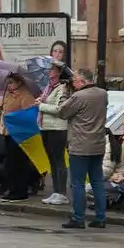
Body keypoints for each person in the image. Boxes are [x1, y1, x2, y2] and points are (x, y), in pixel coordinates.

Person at [40, 68, 109, 228]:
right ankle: (100, 217)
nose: (73, 83)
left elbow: (62, 112)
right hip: (98, 144)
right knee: (97, 181)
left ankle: (78, 218)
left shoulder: (79, 96)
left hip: (80, 145)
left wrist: (65, 94)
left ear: (83, 81)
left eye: (75, 80)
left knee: (77, 183)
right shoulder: (102, 93)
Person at [0, 74, 38, 201]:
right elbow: (4, 112)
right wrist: (0, 109)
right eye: (7, 83)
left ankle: (20, 190)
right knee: (10, 164)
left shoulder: (25, 95)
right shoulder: (8, 94)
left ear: (19, 83)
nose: (8, 85)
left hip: (20, 134)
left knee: (18, 163)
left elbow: (29, 114)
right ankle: (12, 188)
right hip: (8, 133)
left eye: (11, 83)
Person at [39, 64, 72, 205]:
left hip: (58, 128)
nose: (49, 72)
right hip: (46, 127)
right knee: (51, 159)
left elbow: (60, 109)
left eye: (52, 70)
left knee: (59, 160)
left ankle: (62, 193)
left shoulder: (63, 88)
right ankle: (56, 191)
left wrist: (41, 105)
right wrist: (41, 100)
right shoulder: (49, 87)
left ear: (59, 73)